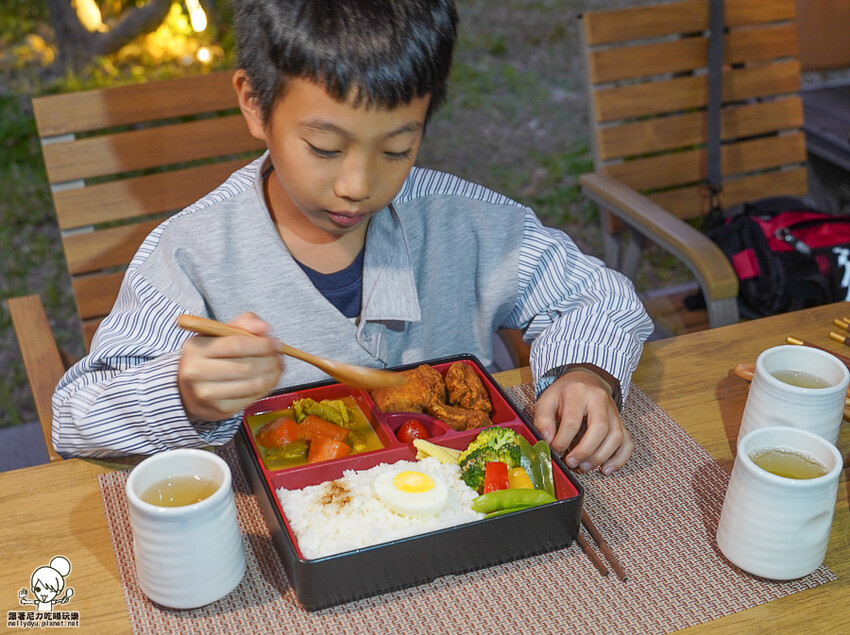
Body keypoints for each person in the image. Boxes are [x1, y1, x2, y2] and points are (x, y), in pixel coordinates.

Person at [52, 0, 653, 474]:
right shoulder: (190, 254)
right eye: (324, 148)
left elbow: (596, 298)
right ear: (255, 104)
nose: (358, 185)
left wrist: (585, 374)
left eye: (398, 149)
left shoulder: (464, 222)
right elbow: (76, 414)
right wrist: (183, 395)